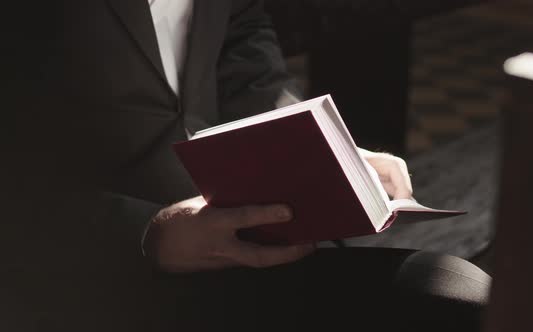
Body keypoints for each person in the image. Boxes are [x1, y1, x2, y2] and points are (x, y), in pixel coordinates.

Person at [13, 0, 489, 331]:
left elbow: (241, 43)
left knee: (465, 296)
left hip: (227, 233)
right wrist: (150, 232)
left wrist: (317, 146)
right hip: (71, 271)